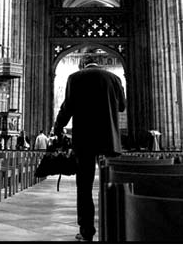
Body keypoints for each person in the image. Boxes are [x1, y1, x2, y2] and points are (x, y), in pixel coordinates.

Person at [54, 54, 126, 242]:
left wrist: (58, 127)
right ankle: (114, 227)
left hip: (84, 139)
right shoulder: (114, 78)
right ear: (98, 64)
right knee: (112, 184)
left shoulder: (75, 78)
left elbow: (67, 107)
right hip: (109, 140)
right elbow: (122, 107)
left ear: (82, 64)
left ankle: (87, 231)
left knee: (84, 187)